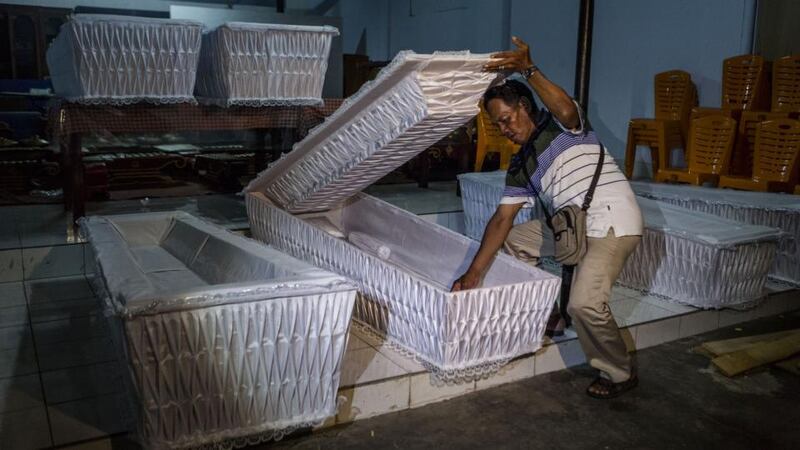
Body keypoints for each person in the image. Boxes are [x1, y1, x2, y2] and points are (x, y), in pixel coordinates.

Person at [452, 37, 644, 399]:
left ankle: (618, 373)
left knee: (585, 303)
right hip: (574, 226)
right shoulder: (521, 164)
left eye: (507, 119)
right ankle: (543, 312)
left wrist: (528, 68)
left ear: (525, 106)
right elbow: (501, 220)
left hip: (611, 221)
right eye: (498, 125)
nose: (505, 129)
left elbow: (568, 109)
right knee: (515, 238)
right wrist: (473, 273)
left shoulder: (563, 126)